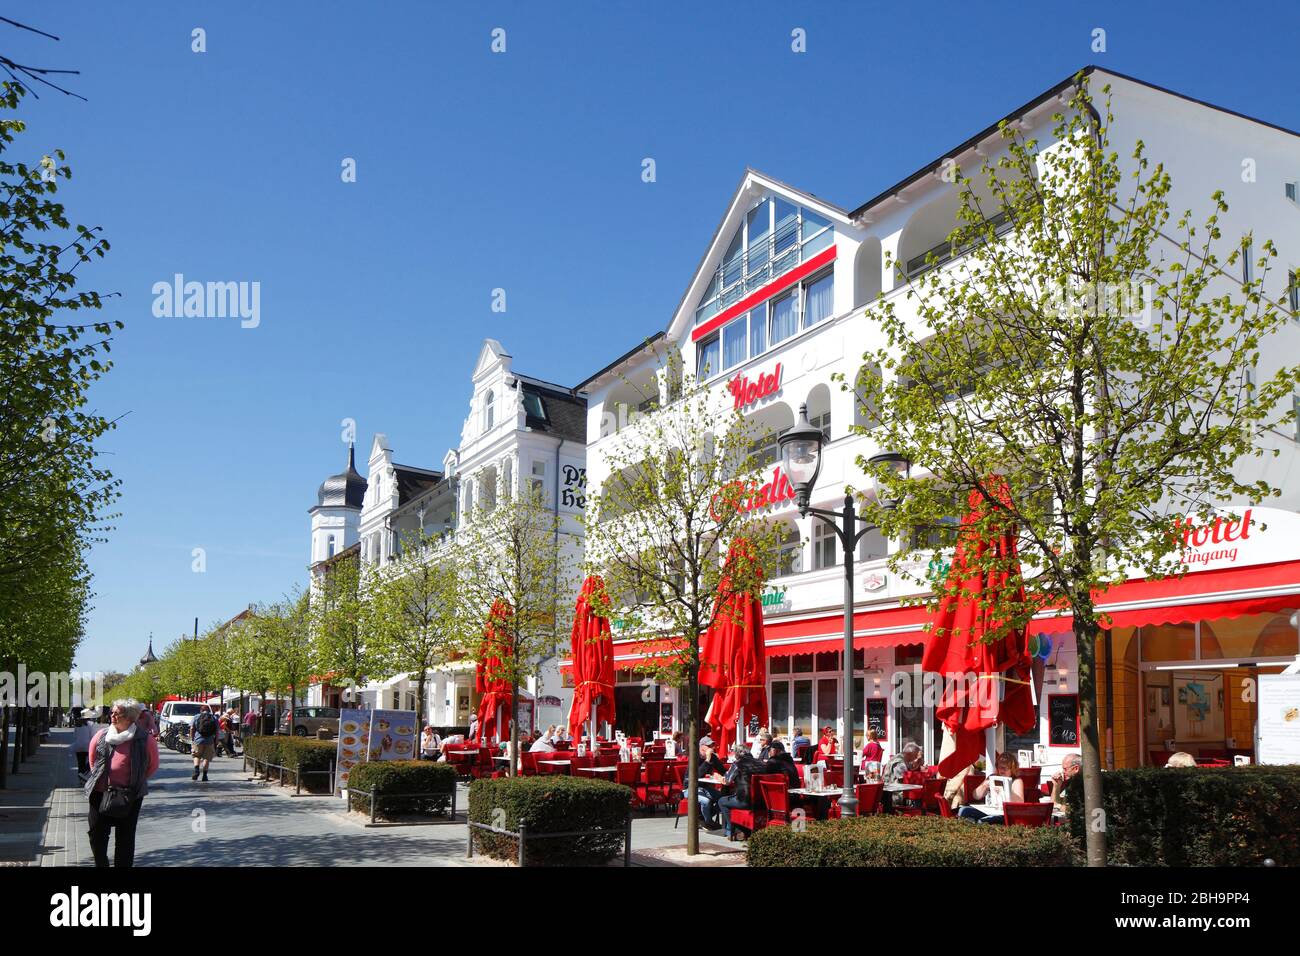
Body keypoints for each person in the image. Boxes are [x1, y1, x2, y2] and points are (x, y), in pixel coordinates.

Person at [84, 699, 160, 868]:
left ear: (129, 717)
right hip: (100, 793)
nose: (112, 715)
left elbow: (152, 766)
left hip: (130, 795)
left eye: (116, 713)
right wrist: (104, 780)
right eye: (112, 712)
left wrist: (134, 781)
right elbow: (92, 761)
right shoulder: (101, 735)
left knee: (125, 839)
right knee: (97, 836)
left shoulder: (144, 740)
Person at [958, 753, 1025, 823]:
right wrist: (985, 786)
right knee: (963, 811)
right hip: (989, 810)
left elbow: (1020, 801)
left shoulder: (1016, 781)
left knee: (982, 821)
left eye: (1005, 768)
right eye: (1000, 767)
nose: (1002, 770)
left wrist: (1006, 790)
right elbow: (976, 796)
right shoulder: (992, 777)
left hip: (1004, 813)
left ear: (1012, 769)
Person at [718, 744, 763, 839]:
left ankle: (734, 831)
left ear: (737, 754)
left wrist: (718, 777)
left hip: (744, 800)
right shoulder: (760, 763)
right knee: (730, 799)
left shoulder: (737, 764)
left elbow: (727, 781)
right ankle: (741, 829)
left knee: (722, 801)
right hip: (761, 801)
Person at [689, 736, 727, 830]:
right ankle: (708, 822)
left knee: (724, 799)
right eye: (709, 746)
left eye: (712, 745)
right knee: (706, 800)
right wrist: (707, 760)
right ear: (702, 747)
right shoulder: (695, 757)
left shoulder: (712, 757)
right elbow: (696, 776)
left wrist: (728, 776)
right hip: (692, 787)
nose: (711, 748)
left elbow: (722, 770)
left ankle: (702, 818)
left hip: (705, 786)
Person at [191, 705, 219, 781]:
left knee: (197, 756)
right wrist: (216, 740)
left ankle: (196, 770)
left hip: (198, 740)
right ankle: (205, 776)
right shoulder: (214, 718)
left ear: (201, 710)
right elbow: (217, 731)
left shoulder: (196, 717)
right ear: (209, 710)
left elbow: (192, 728)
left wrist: (192, 739)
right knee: (206, 758)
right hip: (209, 741)